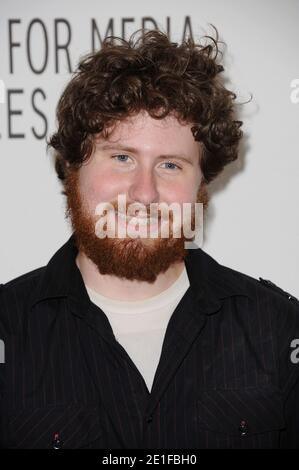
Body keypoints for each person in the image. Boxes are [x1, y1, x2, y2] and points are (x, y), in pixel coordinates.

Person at [0, 29, 299, 449]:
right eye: (122, 157)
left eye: (171, 165)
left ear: (202, 184)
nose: (144, 193)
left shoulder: (280, 329)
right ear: (72, 166)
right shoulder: (8, 329)